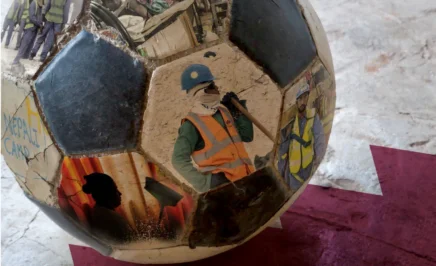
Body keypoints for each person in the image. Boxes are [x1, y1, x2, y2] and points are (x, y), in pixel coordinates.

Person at [172, 64, 255, 193]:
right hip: (225, 189)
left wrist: (239, 112)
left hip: (246, 177)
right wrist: (206, 184)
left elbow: (247, 136)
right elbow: (178, 160)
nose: (217, 88)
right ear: (202, 91)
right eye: (213, 86)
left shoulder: (223, 111)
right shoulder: (191, 125)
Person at [278, 84, 326, 190]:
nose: (303, 101)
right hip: (294, 173)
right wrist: (280, 173)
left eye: (305, 97)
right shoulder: (290, 124)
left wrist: (320, 157)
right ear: (296, 102)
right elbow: (282, 151)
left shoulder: (313, 116)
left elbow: (319, 138)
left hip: (309, 167)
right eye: (300, 98)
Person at [82, 173, 134, 243]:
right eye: (115, 190)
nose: (120, 193)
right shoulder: (109, 218)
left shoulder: (101, 211)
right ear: (107, 193)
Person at [12, 0, 43, 66]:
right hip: (30, 27)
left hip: (35, 28)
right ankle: (15, 61)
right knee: (24, 44)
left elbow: (40, 17)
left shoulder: (40, 5)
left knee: (30, 45)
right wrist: (39, 24)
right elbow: (32, 17)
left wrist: (40, 24)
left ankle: (22, 60)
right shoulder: (34, 3)